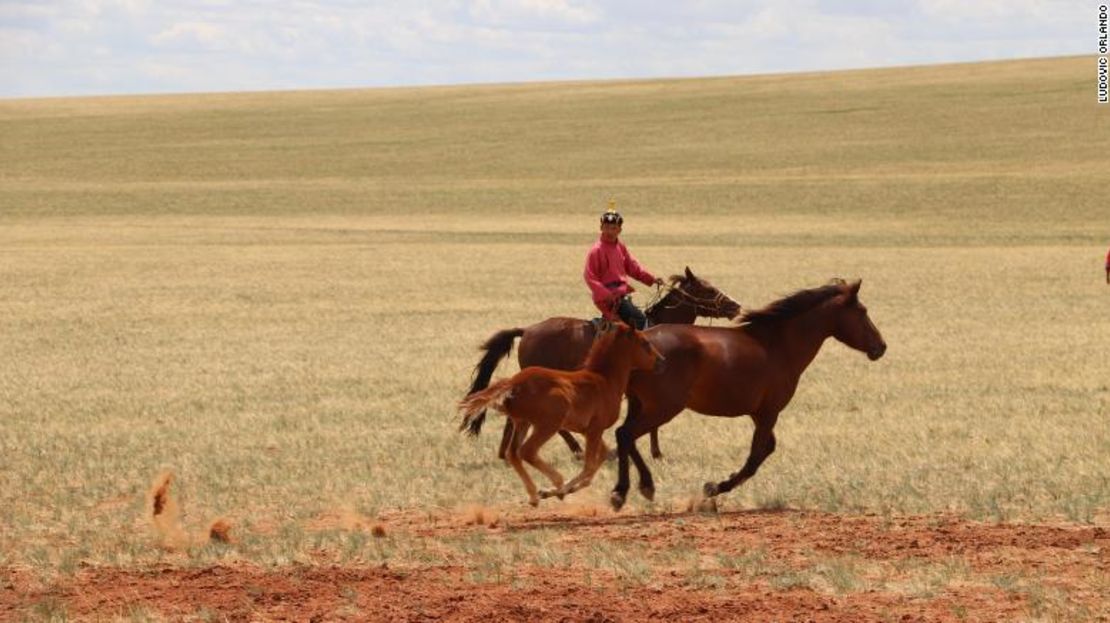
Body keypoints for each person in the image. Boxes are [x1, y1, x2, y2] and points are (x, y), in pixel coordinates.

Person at [583, 202, 664, 330]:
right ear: (601, 227)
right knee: (643, 323)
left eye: (613, 228)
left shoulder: (620, 246)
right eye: (606, 227)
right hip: (608, 298)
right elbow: (590, 277)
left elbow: (632, 267)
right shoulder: (596, 250)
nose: (610, 231)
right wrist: (607, 295)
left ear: (619, 230)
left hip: (620, 295)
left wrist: (652, 279)